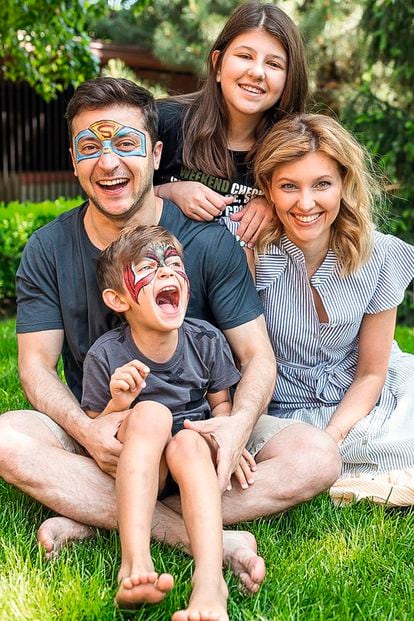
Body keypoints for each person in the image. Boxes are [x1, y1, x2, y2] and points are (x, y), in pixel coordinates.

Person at [0, 79, 341, 586]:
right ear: (73, 161)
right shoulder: (48, 249)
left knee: (316, 457)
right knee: (6, 438)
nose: (109, 163)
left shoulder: (207, 244)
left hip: (201, 432)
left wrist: (235, 426)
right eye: (90, 147)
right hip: (106, 426)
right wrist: (88, 432)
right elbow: (34, 368)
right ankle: (194, 534)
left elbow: (257, 356)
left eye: (126, 144)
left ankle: (97, 515)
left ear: (157, 154)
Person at [234, 112, 414, 505]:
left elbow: (371, 373)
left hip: (361, 396)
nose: (306, 203)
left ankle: (347, 469)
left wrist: (332, 437)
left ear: (344, 184)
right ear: (267, 188)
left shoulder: (380, 254)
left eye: (322, 185)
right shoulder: (248, 249)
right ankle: (359, 476)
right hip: (281, 403)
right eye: (288, 186)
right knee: (289, 450)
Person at [83, 224, 253, 617]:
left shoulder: (207, 340)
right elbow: (96, 434)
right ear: (117, 299)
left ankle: (210, 584)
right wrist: (119, 403)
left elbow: (221, 408)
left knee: (191, 441)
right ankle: (135, 563)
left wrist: (231, 439)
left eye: (174, 264)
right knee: (152, 413)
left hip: (192, 463)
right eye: (148, 267)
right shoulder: (105, 356)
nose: (166, 272)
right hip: (143, 468)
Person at [154, 1, 308, 249]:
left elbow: (316, 203)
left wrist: (277, 204)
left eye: (274, 64)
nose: (258, 72)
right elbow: (114, 195)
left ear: (290, 78)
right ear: (217, 64)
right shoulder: (164, 121)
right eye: (245, 56)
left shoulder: (295, 146)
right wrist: (167, 193)